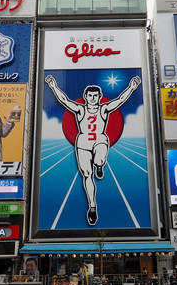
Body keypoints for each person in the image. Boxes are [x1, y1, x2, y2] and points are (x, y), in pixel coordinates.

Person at [44, 75, 141, 225]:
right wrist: (53, 86)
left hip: (100, 140)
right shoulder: (80, 110)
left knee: (99, 159)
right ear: (85, 97)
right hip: (83, 143)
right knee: (87, 175)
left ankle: (100, 165)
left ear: (100, 97)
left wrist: (131, 88)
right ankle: (92, 206)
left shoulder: (104, 109)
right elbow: (64, 100)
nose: (93, 98)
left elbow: (120, 100)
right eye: (90, 95)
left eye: (96, 96)